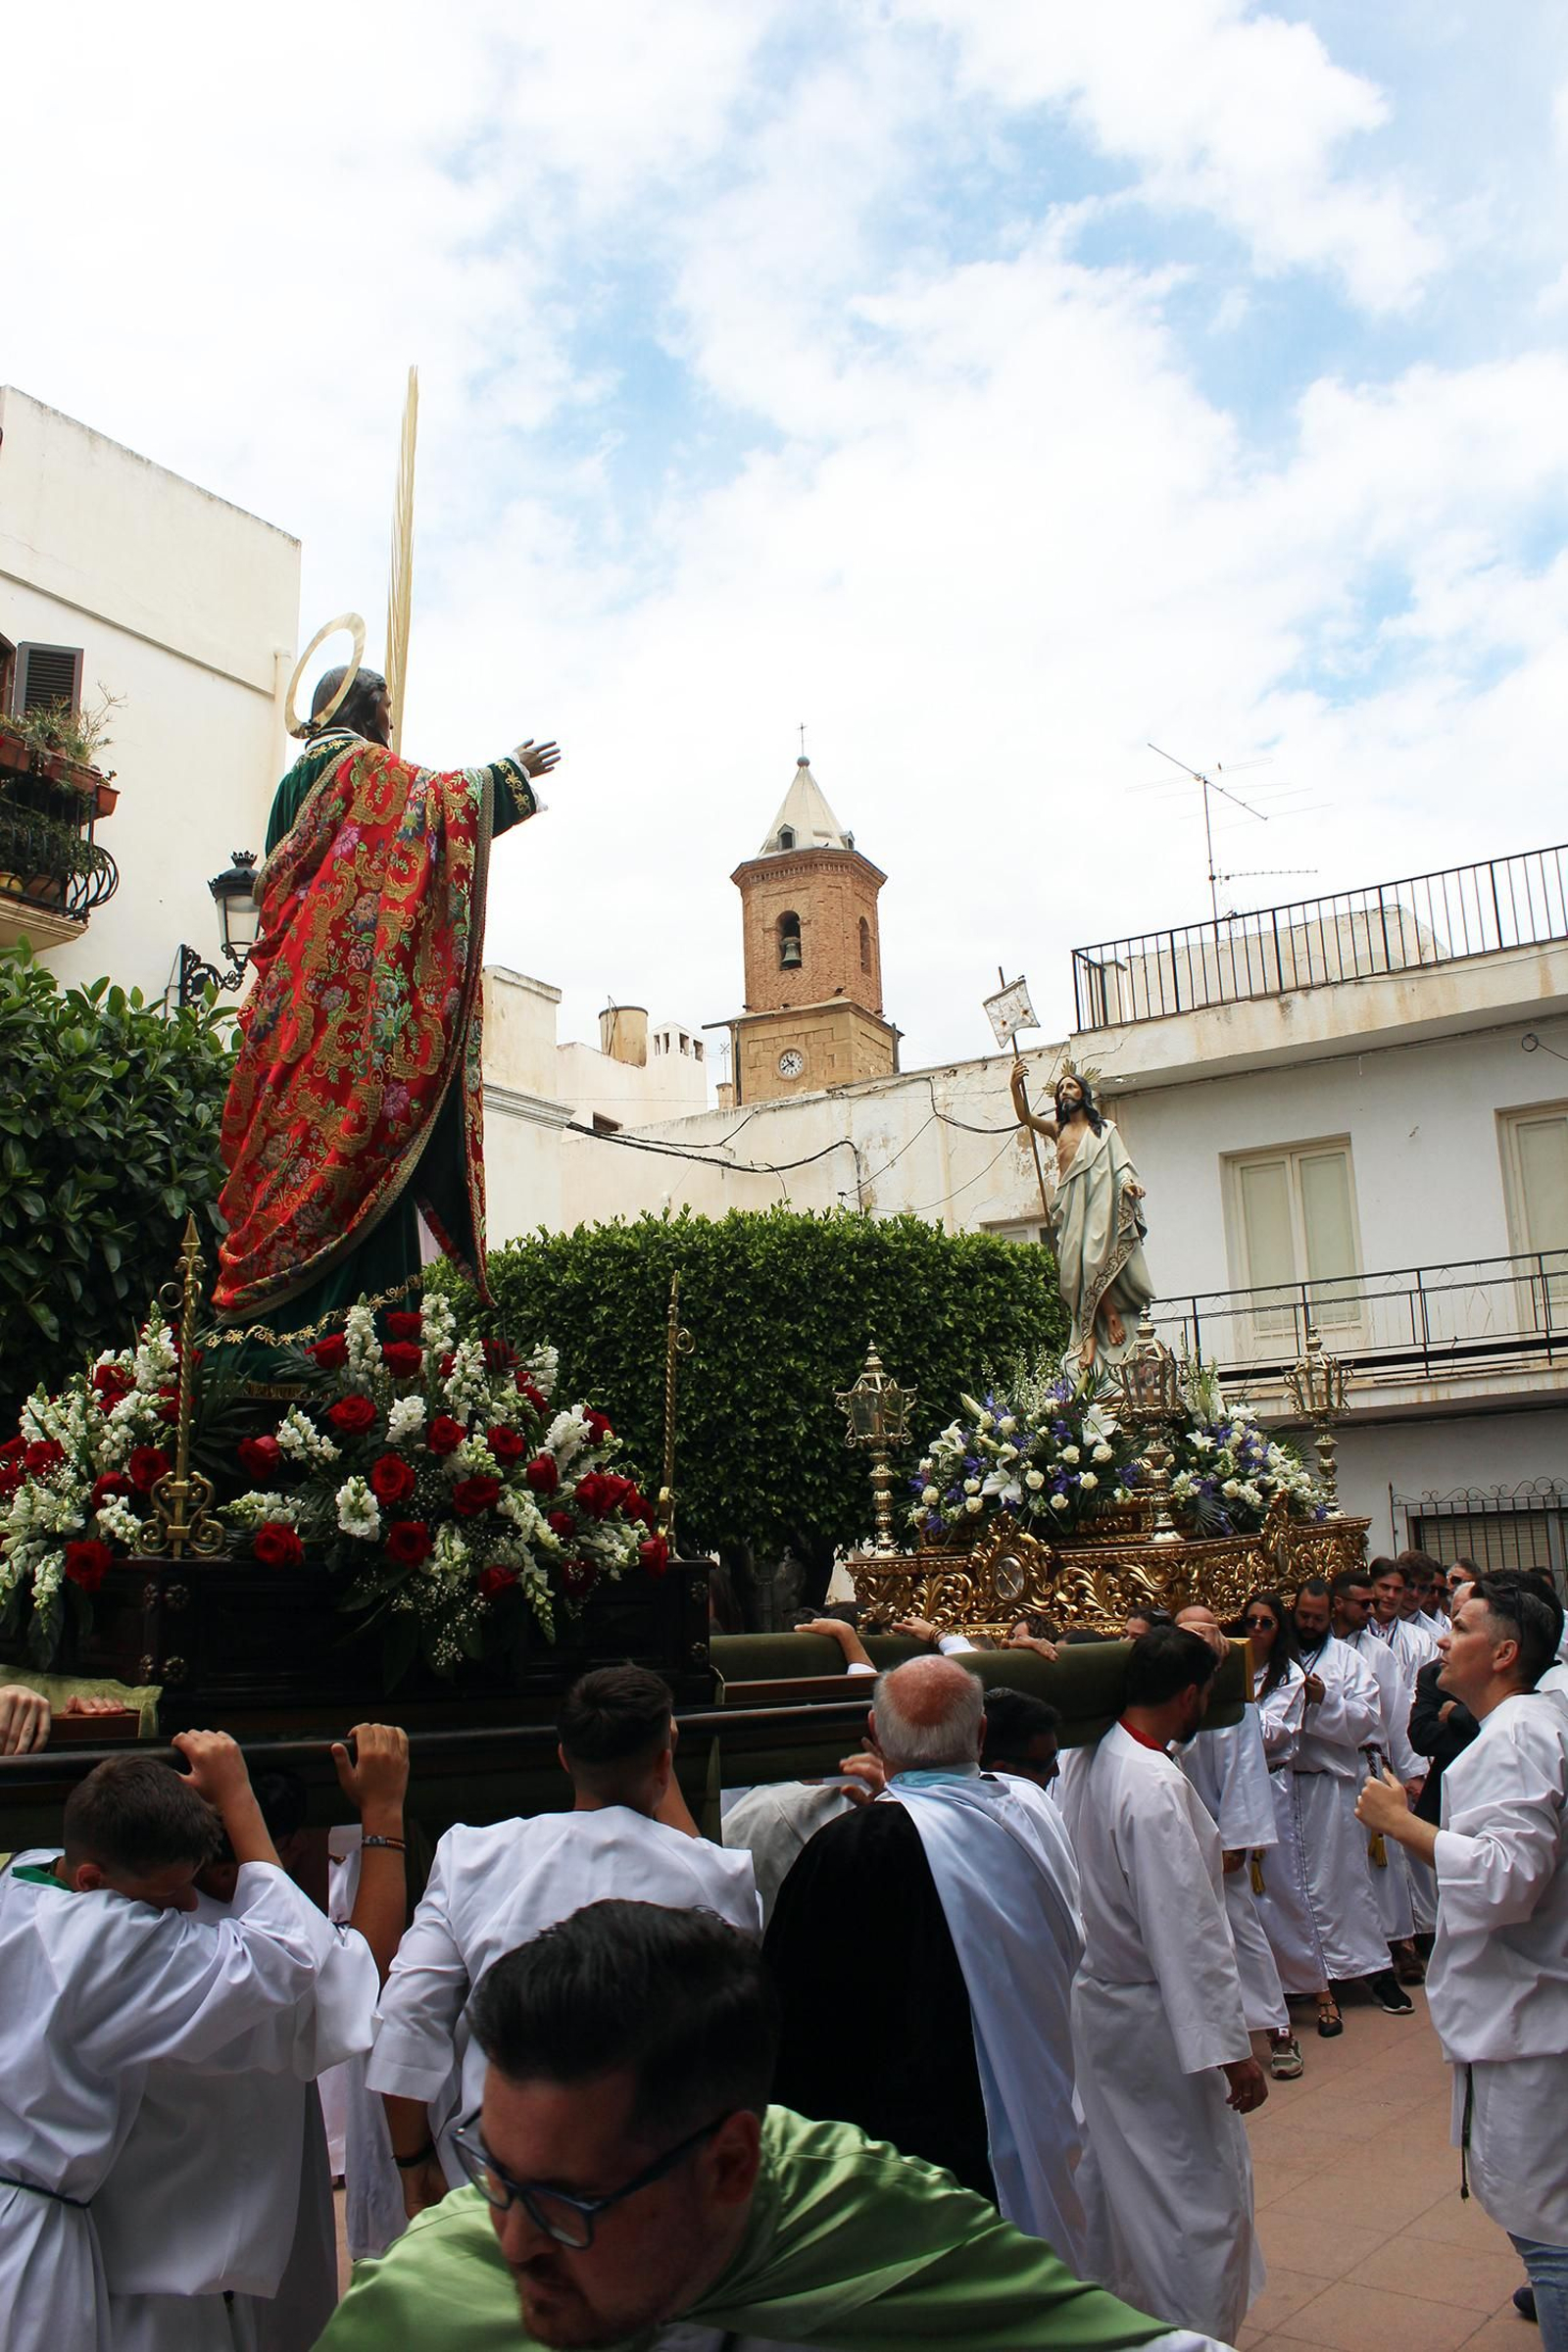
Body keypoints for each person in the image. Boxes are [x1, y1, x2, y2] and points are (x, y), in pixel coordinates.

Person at [319, 1899, 1235, 2350]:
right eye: (499, 2177)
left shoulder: (861, 2218)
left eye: (565, 2204)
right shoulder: (429, 2297)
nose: (513, 2242)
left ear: (728, 2166)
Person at [213, 659, 561, 1338]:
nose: (392, 720)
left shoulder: (292, 784)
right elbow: (442, 808)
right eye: (387, 705)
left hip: (290, 1009)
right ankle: (354, 1344)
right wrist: (510, 772)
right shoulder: (359, 772)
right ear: (361, 707)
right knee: (359, 1145)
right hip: (346, 1014)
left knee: (283, 1148)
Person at [0, 1734, 360, 2352]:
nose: (189, 1905)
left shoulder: (20, 1881)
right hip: (29, 2237)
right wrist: (238, 1796)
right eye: (168, 1894)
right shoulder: (102, 1942)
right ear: (92, 1881)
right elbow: (291, 1954)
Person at [370, 1667, 759, 2211]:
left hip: (502, 2177)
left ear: (562, 1758)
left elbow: (409, 2012)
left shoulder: (473, 1856)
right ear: (665, 1761)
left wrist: (412, 2165)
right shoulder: (717, 1874)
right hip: (655, 2178)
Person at [763, 1654, 1090, 2267]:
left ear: (874, 1732)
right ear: (984, 1735)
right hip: (1030, 2109)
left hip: (908, 2144)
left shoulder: (854, 1848)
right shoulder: (1031, 1809)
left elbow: (799, 2014)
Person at [93, 1727, 406, 2350]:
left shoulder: (91, 1920)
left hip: (155, 2258)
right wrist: (383, 1813)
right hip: (187, 2282)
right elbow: (363, 1965)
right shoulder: (231, 1956)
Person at [1357, 1576, 1568, 2350]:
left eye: (1459, 1625)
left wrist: (1403, 1825)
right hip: (1528, 2010)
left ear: (1505, 1652)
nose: (1441, 1639)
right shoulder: (1535, 1721)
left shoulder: (1514, 1734)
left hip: (1529, 2024)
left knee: (1551, 2235)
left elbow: (1510, 1879)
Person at [1059, 1625, 1265, 2343]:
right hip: (1159, 2020)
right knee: (1190, 2190)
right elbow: (1188, 1932)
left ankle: (1125, 2319)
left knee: (1121, 2181)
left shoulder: (1088, 1756)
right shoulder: (1148, 1786)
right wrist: (1231, 2050)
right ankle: (1193, 2330)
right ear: (1189, 1697)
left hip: (1105, 2007)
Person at [1172, 1605, 1299, 2081]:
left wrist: (1237, 1839)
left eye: (1206, 1632)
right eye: (1188, 1633)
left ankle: (1278, 2028)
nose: (1199, 1640)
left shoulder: (1232, 1695)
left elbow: (1244, 1767)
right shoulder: (1166, 1690)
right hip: (1175, 1828)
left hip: (1220, 1833)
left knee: (1243, 1929)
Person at [1288, 1578, 1414, 2018]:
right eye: (1302, 1616)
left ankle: (1371, 1970)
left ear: (1330, 1616)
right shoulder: (1277, 1659)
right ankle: (1302, 1979)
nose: (1308, 1624)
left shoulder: (1349, 1660)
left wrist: (1323, 1700)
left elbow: (1367, 1720)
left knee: (1345, 1883)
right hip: (1284, 1788)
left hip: (1332, 1785)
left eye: (1316, 1618)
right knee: (1288, 1890)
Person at [1239, 1591, 1341, 2039]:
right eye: (1251, 1621)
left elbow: (1272, 1732)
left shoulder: (1290, 1676)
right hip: (1233, 1791)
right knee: (1242, 1901)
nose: (1257, 1630)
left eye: (1266, 1623)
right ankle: (1261, 1996)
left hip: (1273, 1786)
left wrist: (1236, 1703)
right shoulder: (1230, 1670)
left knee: (1284, 1890)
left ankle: (1318, 1988)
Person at [1008, 1060, 1154, 1369]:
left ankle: (1111, 1318)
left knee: (1093, 1259)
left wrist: (1130, 1185)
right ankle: (1086, 1335)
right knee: (1073, 1271)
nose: (1064, 1092)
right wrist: (1014, 1086)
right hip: (1073, 1205)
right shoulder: (1058, 1129)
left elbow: (1121, 1164)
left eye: (1070, 1086)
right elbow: (1024, 1117)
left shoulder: (1104, 1130)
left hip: (1100, 1201)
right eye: (1061, 1089)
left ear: (1083, 1092)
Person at [1329, 1568, 1425, 1982]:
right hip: (1329, 1771)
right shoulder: (1315, 1650)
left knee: (1383, 1860)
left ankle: (1400, 1941)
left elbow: (1397, 1712)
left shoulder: (1376, 1652)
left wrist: (1411, 1770)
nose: (1372, 1609)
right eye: (1363, 1603)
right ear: (1338, 1604)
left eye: (1374, 1601)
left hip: (1370, 1763)